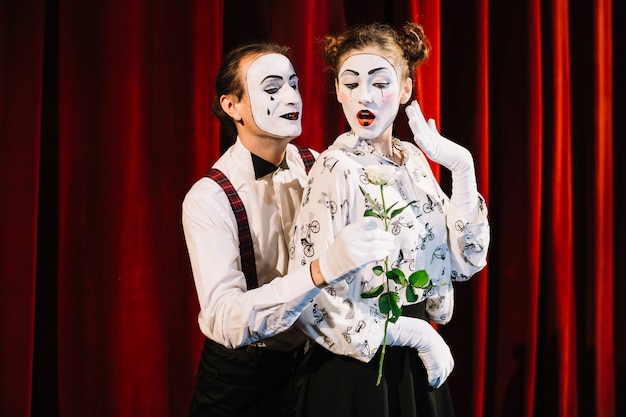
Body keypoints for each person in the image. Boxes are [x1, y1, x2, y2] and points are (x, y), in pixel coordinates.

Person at [182, 42, 395, 417]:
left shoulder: (323, 166)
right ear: (232, 106)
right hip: (244, 379)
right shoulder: (210, 198)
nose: (291, 97)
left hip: (320, 363)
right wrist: (318, 272)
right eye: (272, 89)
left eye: (293, 84)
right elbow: (224, 318)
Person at [288, 22, 490, 417]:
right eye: (350, 83)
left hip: (413, 369)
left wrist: (462, 169)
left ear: (406, 90)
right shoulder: (335, 167)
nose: (364, 96)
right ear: (338, 92)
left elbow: (466, 260)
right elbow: (311, 301)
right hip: (355, 372)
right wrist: (409, 333)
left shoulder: (413, 162)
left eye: (381, 83)